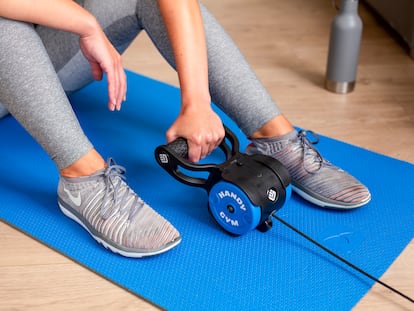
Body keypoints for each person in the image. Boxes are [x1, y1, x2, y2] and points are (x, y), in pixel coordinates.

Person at [0, 0, 370, 258]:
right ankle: (82, 179)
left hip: (42, 54)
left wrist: (197, 102)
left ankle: (276, 139)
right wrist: (85, 23)